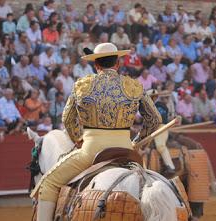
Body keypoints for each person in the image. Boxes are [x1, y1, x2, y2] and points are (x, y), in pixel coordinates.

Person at [31, 42, 162, 221]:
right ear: (118, 63)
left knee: (48, 184)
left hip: (91, 151)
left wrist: (78, 139)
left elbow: (67, 119)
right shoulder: (134, 86)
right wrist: (138, 140)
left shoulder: (83, 85)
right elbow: (155, 119)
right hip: (126, 151)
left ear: (96, 65)